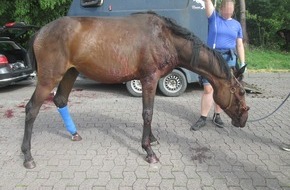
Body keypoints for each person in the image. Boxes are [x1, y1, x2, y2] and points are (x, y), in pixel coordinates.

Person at [191, 0, 246, 131]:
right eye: (225, 9)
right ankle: (203, 118)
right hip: (213, 58)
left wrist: (243, 62)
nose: (228, 11)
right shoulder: (214, 18)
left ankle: (217, 115)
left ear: (233, 10)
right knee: (208, 89)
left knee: (224, 90)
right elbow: (207, 2)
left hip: (229, 60)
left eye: (230, 9)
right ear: (221, 9)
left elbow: (239, 45)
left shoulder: (237, 25)